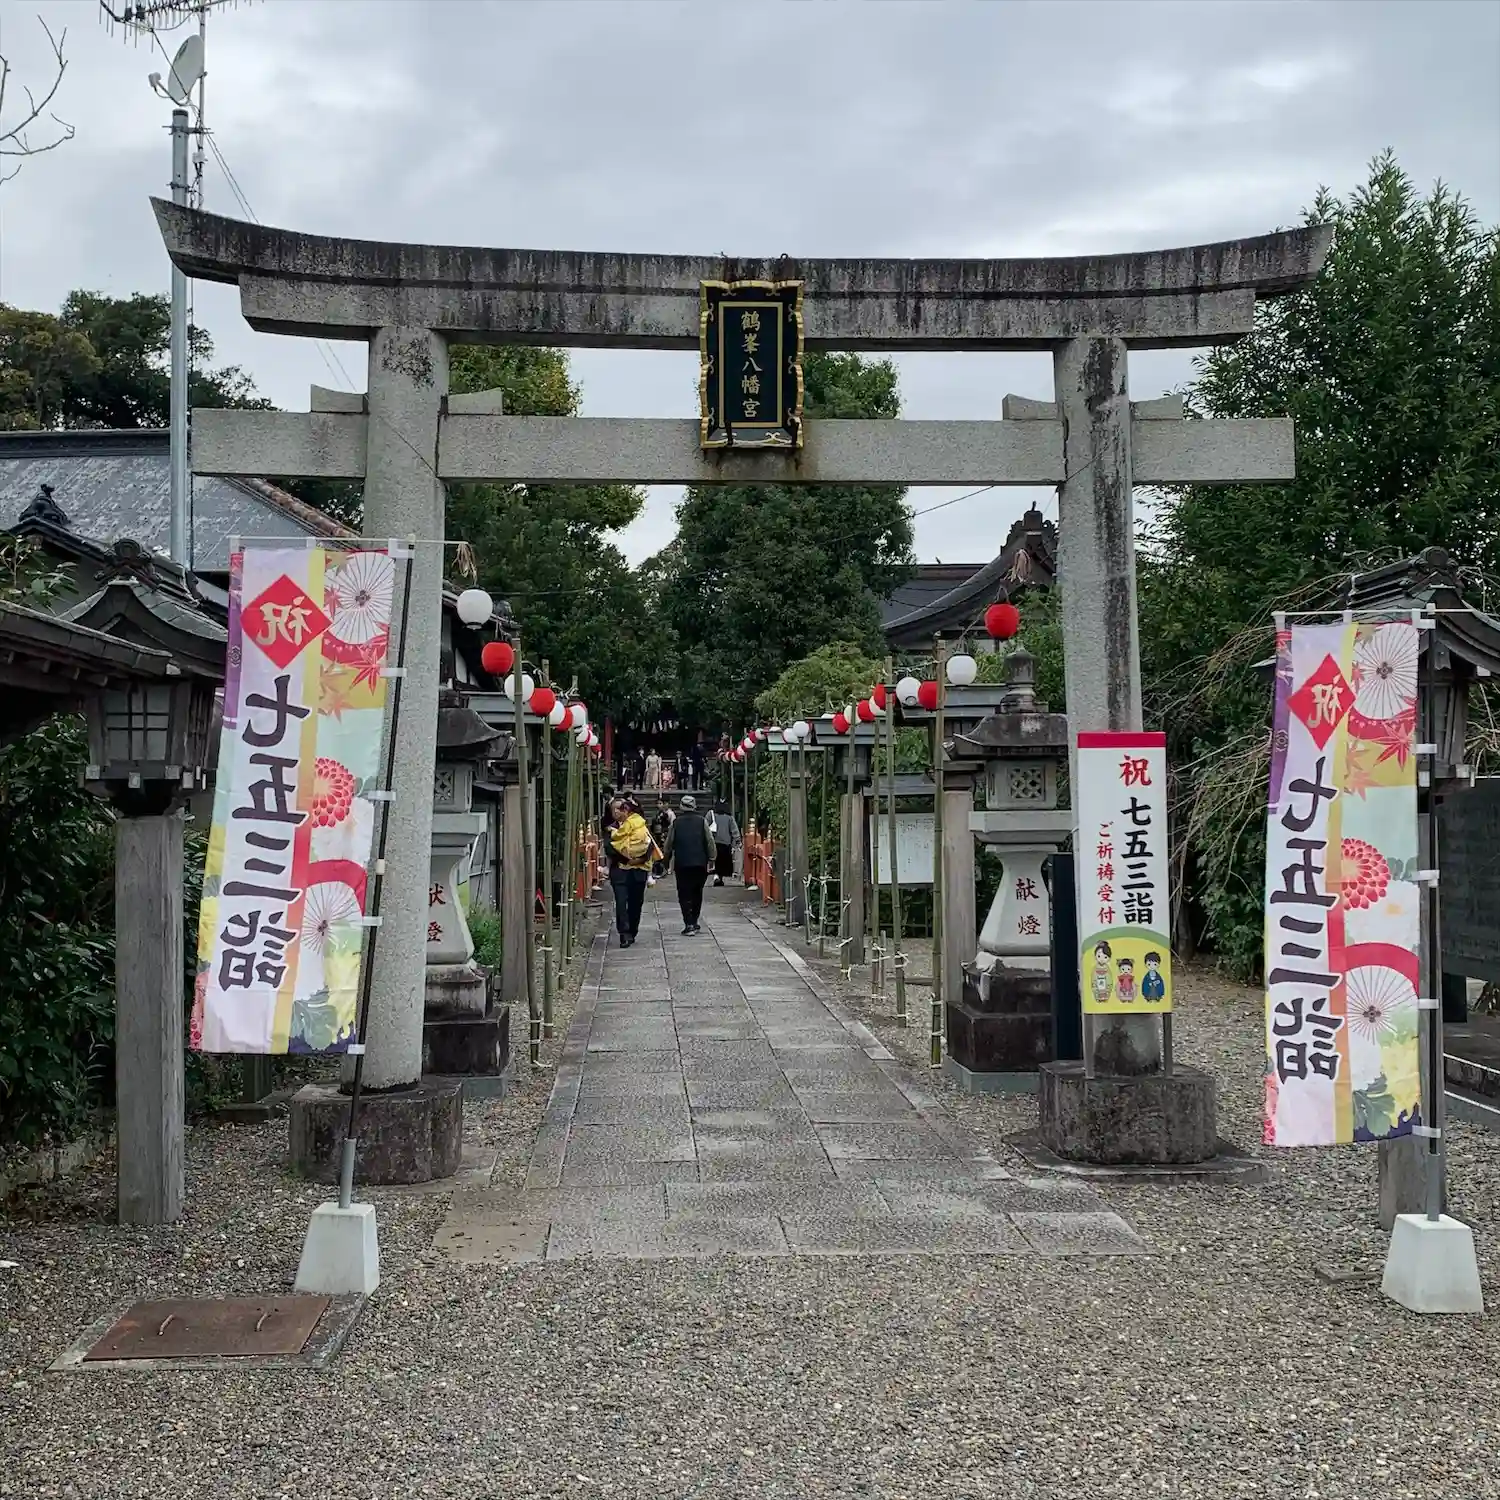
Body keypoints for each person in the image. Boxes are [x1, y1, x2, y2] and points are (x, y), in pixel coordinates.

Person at [604, 796, 657, 947]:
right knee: (621, 902)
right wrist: (627, 860)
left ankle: (633, 930)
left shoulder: (639, 825)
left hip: (639, 870)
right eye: (613, 809)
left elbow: (649, 845)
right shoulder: (611, 829)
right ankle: (624, 933)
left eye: (619, 808)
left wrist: (640, 859)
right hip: (619, 871)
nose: (616, 811)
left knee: (636, 902)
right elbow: (609, 849)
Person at [662, 794, 716, 934]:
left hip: (682, 862)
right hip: (700, 862)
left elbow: (668, 844)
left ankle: (688, 923)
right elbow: (710, 841)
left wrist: (665, 860)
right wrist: (712, 858)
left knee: (684, 893)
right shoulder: (702, 821)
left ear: (681, 806)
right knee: (697, 892)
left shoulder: (676, 823)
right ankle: (694, 920)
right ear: (694, 806)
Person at [710, 799, 740, 886]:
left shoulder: (711, 815)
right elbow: (734, 830)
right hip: (725, 843)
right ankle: (719, 877)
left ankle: (716, 876)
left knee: (715, 860)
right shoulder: (729, 818)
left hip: (714, 842)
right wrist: (737, 840)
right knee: (723, 862)